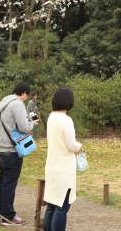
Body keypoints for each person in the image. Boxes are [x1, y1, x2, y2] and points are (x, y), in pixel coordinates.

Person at [0, 81, 38, 226]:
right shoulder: (18, 104)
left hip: (1, 148)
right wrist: (32, 124)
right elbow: (24, 127)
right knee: (9, 183)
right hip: (12, 150)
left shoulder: (3, 102)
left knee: (1, 180)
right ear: (24, 93)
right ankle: (8, 216)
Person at [43, 86, 82, 231]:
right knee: (61, 207)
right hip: (63, 169)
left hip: (52, 166)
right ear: (69, 101)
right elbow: (71, 145)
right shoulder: (66, 120)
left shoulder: (51, 117)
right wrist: (79, 145)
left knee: (52, 205)